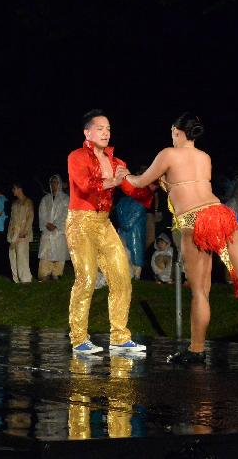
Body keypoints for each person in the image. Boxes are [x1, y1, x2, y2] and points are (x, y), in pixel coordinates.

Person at [125, 113, 238, 364]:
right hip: (221, 214)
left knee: (200, 292)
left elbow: (139, 182)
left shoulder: (168, 153)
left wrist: (120, 175)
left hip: (195, 221)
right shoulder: (204, 157)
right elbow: (187, 186)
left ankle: (197, 351)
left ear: (176, 130)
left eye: (172, 130)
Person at [66, 110, 150, 355]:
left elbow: (133, 188)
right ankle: (79, 338)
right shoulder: (77, 156)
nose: (106, 132)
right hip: (80, 221)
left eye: (109, 129)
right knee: (87, 279)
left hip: (103, 223)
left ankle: (120, 337)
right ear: (87, 132)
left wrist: (155, 181)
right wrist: (114, 181)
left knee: (122, 276)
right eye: (100, 128)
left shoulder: (116, 162)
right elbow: (84, 186)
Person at [37, 174, 69, 281]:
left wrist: (56, 225)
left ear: (59, 184)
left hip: (58, 231)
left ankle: (57, 273)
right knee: (45, 252)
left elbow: (66, 214)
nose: (53, 184)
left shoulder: (65, 199)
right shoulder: (45, 199)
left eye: (55, 182)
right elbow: (42, 213)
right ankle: (44, 273)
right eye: (52, 182)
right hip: (47, 230)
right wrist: (47, 223)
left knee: (59, 251)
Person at [7, 183, 34, 283]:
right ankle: (16, 279)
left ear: (19, 189)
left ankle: (25, 279)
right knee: (13, 256)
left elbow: (30, 218)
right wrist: (10, 234)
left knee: (22, 256)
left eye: (14, 189)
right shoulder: (14, 203)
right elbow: (11, 219)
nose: (12, 191)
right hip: (13, 234)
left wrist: (24, 231)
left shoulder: (28, 202)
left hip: (22, 234)